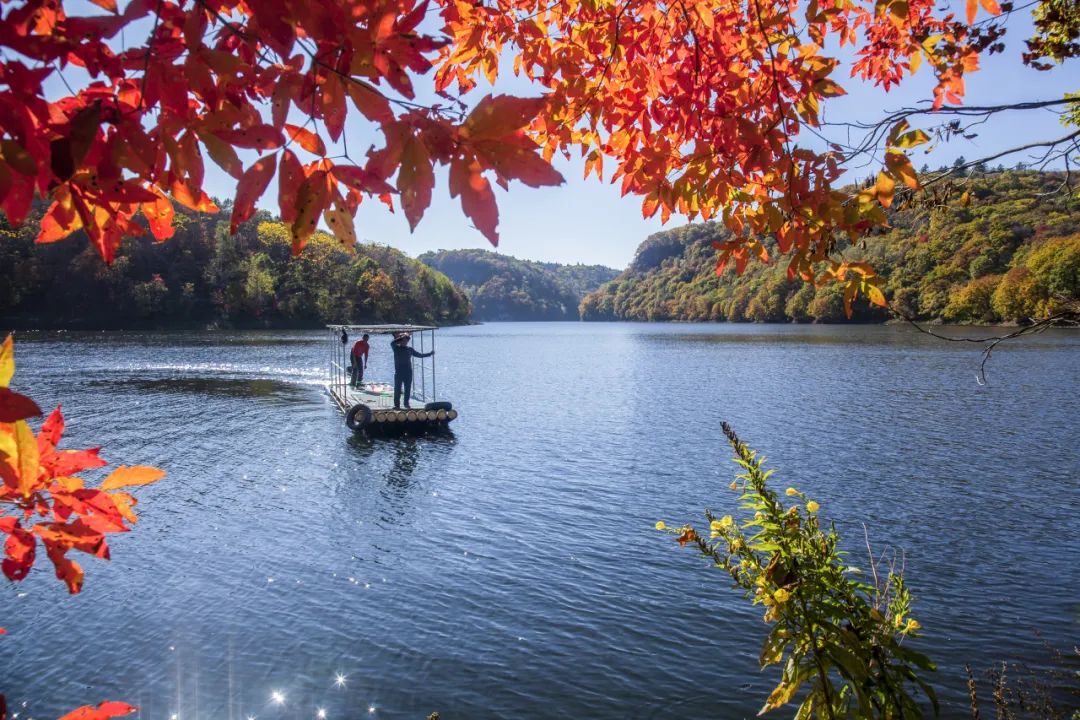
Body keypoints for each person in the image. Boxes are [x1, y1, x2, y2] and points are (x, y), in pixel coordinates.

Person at [390, 332, 433, 409]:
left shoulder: (409, 349)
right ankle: (396, 405)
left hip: (408, 372)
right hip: (399, 372)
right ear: (400, 341)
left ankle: (406, 404)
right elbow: (392, 343)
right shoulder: (396, 348)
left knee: (407, 389)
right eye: (403, 340)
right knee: (397, 389)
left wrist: (429, 354)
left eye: (406, 341)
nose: (405, 342)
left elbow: (419, 355)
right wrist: (401, 337)